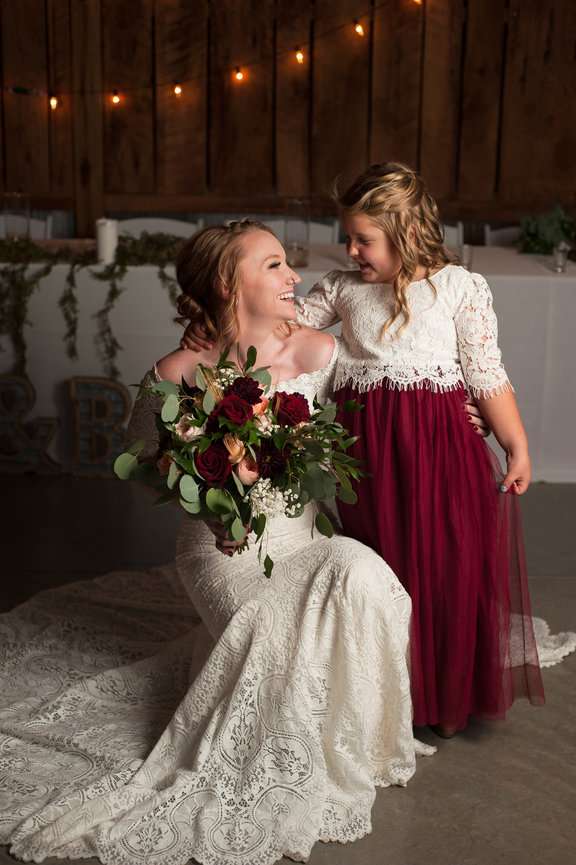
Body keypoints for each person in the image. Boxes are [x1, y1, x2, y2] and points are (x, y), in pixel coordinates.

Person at [0, 220, 435, 865]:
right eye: (274, 266)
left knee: (357, 568)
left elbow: (396, 413)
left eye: (288, 266)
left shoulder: (320, 354)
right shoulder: (178, 374)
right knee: (267, 629)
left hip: (303, 542)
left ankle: (354, 743)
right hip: (220, 552)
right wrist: (216, 498)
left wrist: (471, 412)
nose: (294, 277)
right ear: (231, 285)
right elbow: (147, 462)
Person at [181, 168, 547, 739]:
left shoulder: (458, 288)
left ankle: (444, 698)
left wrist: (516, 444)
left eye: (363, 239)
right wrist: (209, 329)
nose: (350, 250)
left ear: (404, 232)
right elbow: (271, 326)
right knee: (388, 564)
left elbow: (487, 373)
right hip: (370, 456)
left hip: (440, 451)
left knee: (444, 565)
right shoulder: (343, 289)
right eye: (347, 237)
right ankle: (386, 691)